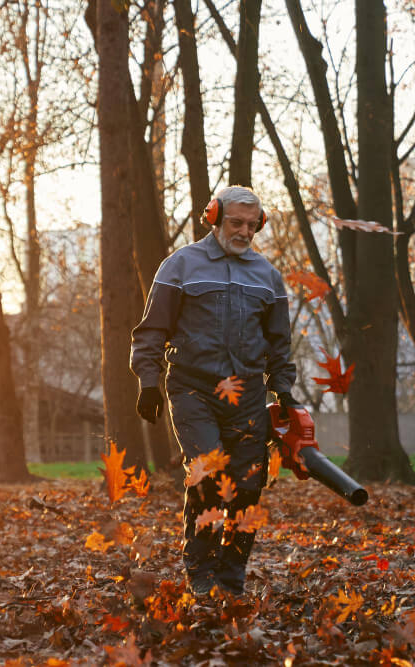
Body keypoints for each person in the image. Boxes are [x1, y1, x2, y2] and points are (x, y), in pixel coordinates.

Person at [130, 185, 298, 597]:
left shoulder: (268, 277)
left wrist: (284, 390)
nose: (242, 231)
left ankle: (231, 574)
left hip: (248, 396)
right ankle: (201, 571)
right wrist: (148, 382)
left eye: (250, 224)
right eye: (234, 222)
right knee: (207, 471)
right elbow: (151, 330)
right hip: (193, 388)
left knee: (249, 485)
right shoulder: (180, 266)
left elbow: (279, 343)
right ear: (215, 218)